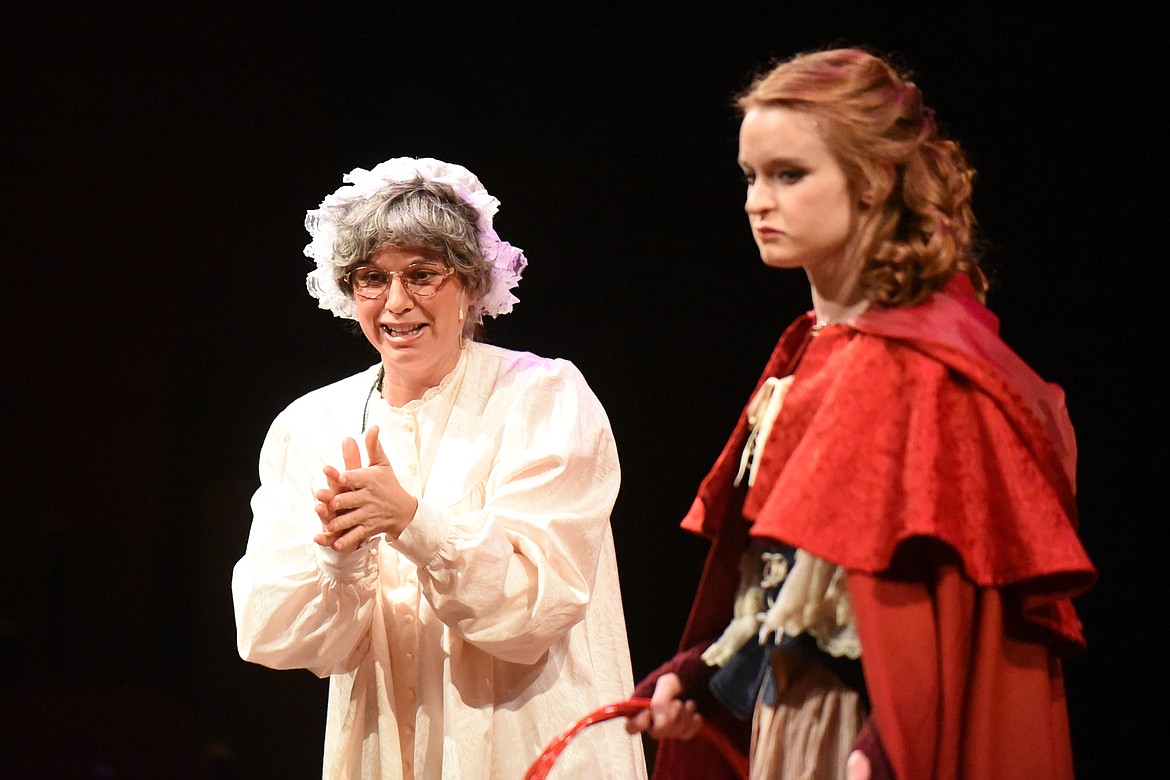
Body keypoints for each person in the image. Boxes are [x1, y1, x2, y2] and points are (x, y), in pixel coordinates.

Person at [625, 48, 1096, 779]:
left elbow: (945, 611)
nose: (757, 201)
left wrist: (888, 743)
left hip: (868, 743)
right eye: (752, 176)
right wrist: (707, 675)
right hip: (794, 723)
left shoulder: (929, 368)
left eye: (789, 175)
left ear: (873, 179)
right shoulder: (811, 352)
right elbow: (801, 587)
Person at [232, 156, 648, 780]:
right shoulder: (311, 424)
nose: (396, 303)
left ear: (473, 287)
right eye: (371, 278)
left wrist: (414, 523)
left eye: (423, 275)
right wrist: (338, 562)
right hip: (385, 749)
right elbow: (267, 633)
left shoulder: (542, 396)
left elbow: (534, 610)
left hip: (528, 739)